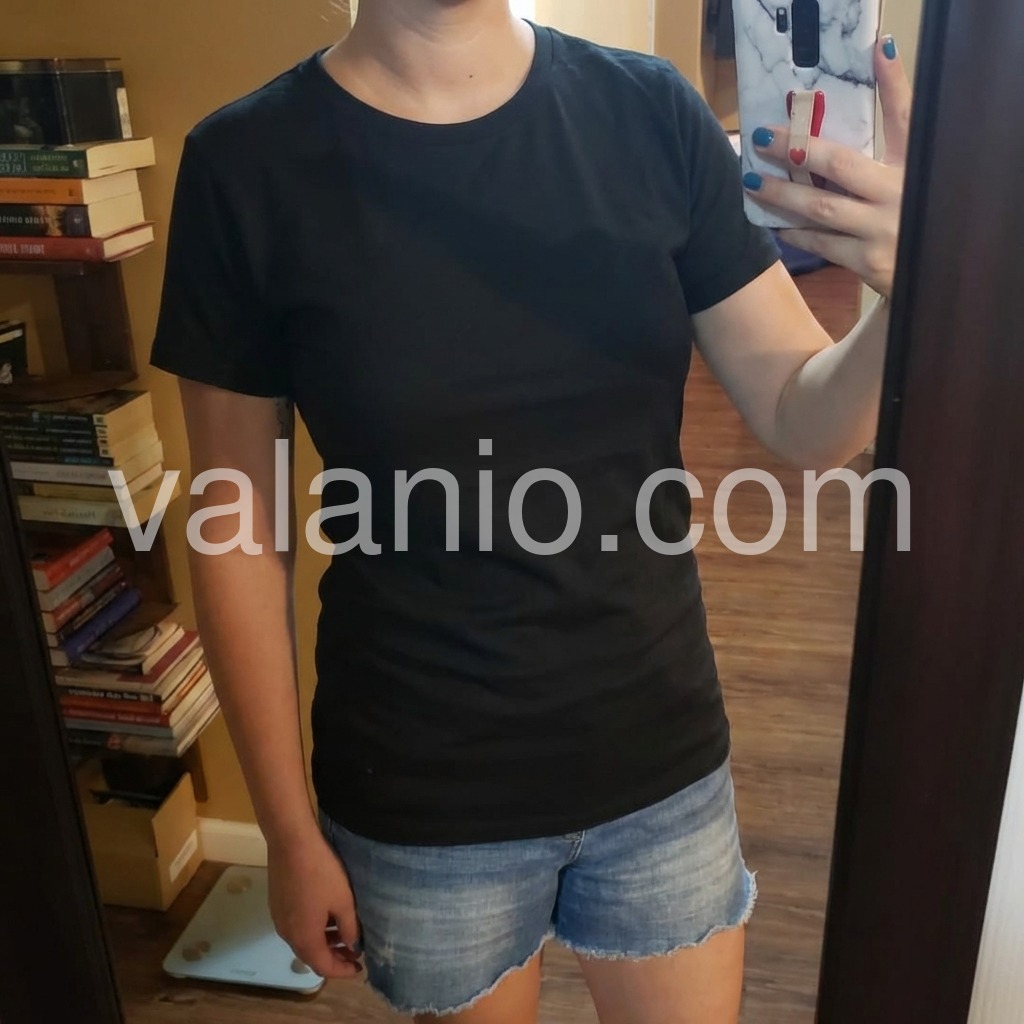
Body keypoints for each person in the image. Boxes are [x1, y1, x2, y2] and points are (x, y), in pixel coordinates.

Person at [150, 2, 911, 1021]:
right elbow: (236, 531)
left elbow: (802, 417)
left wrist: (911, 293)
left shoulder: (649, 113)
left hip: (659, 761)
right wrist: (286, 832)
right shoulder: (245, 165)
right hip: (423, 791)